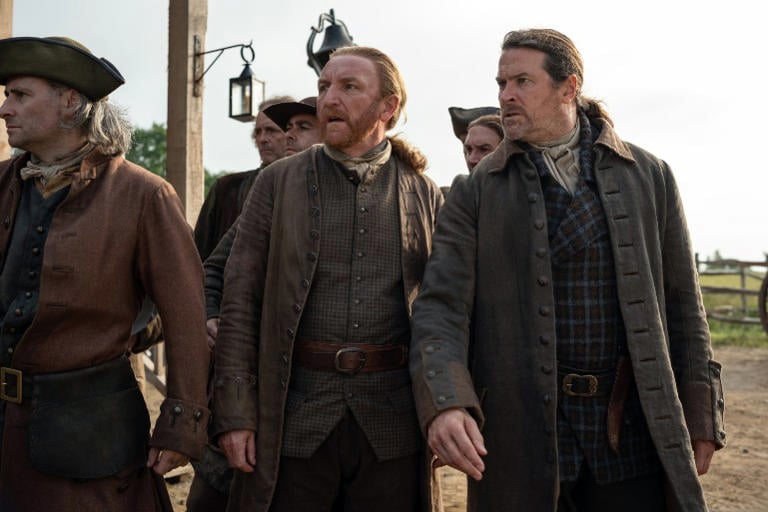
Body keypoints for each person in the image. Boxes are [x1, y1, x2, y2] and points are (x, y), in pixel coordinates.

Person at [409, 28, 725, 512]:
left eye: (521, 81)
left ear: (568, 87)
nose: (505, 96)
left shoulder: (649, 175)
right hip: (520, 434)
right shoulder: (475, 191)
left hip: (631, 432)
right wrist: (446, 401)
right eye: (501, 83)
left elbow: (685, 306)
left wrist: (702, 413)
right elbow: (440, 310)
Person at [212, 46, 443, 511]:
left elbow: (445, 310)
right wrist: (235, 413)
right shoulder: (277, 182)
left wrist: (441, 408)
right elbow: (239, 300)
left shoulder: (422, 191)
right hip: (295, 420)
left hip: (393, 425)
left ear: (388, 106)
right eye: (324, 87)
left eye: (348, 87)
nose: (329, 99)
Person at [0, 36, 209, 512]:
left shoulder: (143, 194)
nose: (5, 109)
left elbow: (186, 317)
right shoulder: (2, 185)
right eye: (6, 95)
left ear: (70, 101)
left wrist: (182, 421)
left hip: (89, 438)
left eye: (20, 95)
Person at [185, 95, 322, 512]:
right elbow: (206, 264)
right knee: (220, 487)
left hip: (315, 392)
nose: (274, 138)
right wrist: (209, 315)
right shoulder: (245, 189)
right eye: (261, 131)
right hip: (246, 370)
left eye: (287, 129)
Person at [192, 95, 293, 260]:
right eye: (258, 132)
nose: (262, 139)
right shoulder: (226, 188)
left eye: (271, 130)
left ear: (291, 133)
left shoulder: (309, 187)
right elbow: (198, 253)